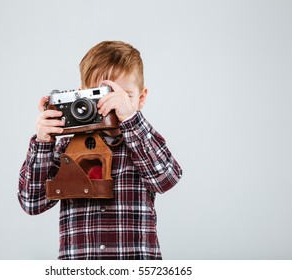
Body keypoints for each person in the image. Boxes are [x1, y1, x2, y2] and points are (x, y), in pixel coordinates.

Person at [18, 41, 182, 259]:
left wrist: (131, 120)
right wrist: (43, 141)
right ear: (81, 97)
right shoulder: (66, 148)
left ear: (141, 99)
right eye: (101, 97)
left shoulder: (144, 142)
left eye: (123, 97)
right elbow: (32, 202)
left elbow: (166, 179)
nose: (112, 107)